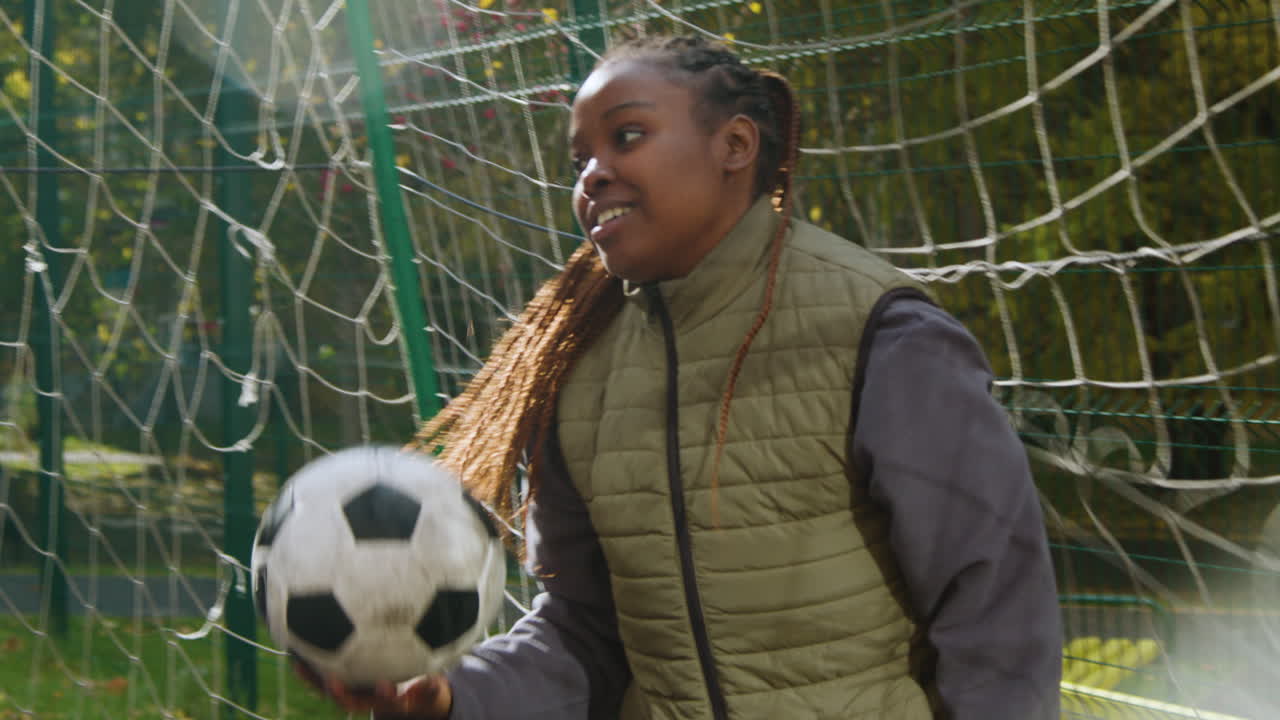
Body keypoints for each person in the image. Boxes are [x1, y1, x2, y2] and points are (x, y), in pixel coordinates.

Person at [296, 34, 1062, 719]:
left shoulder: (882, 337)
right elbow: (585, 631)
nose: (594, 176)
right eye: (580, 161)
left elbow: (996, 614)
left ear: (734, 145)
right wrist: (456, 695)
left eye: (626, 136)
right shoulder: (578, 369)